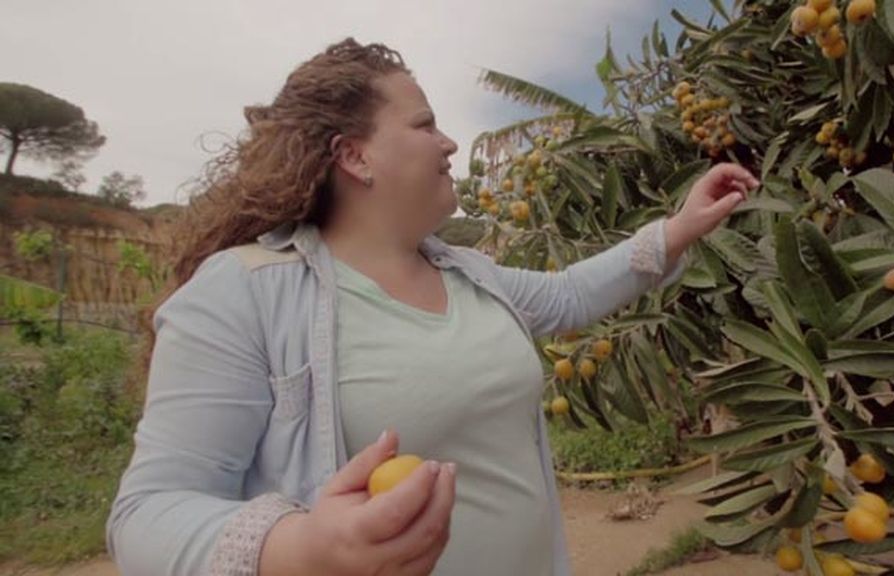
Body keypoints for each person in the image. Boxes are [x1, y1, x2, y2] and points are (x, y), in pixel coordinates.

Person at [105, 37, 758, 576]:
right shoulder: (244, 289)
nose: (449, 143)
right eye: (424, 125)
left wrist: (679, 226)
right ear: (354, 156)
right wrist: (299, 550)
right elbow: (145, 516)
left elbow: (567, 295)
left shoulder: (469, 274)